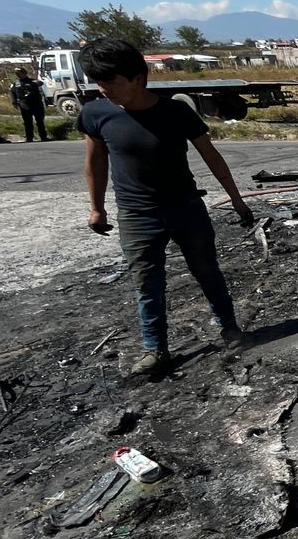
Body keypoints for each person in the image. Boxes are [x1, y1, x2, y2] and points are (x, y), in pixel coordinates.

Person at [77, 38, 256, 376]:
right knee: (147, 283)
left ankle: (230, 328)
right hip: (136, 215)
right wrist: (96, 208)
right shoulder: (96, 114)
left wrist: (236, 198)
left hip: (186, 209)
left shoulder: (176, 112)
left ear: (138, 79)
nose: (104, 90)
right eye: (98, 82)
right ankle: (155, 349)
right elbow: (95, 162)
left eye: (111, 82)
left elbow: (212, 157)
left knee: (207, 271)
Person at [11, 68, 50, 141]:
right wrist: (14, 102)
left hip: (36, 104)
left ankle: (43, 137)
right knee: (27, 122)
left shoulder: (32, 81)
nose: (19, 75)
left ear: (25, 73)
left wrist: (35, 83)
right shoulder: (16, 83)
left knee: (40, 121)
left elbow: (41, 83)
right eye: (17, 73)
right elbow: (13, 93)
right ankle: (29, 137)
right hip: (24, 105)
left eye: (20, 73)